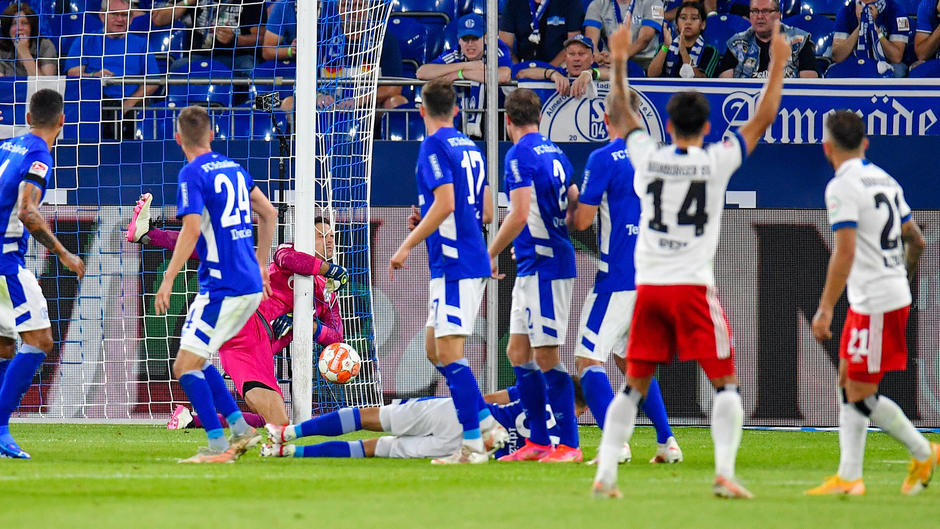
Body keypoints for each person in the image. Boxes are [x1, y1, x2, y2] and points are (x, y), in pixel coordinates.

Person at [591, 19, 787, 499]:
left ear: (670, 125)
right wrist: (778, 64)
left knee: (633, 384)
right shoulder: (716, 160)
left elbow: (622, 114)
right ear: (705, 127)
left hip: (650, 287)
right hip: (693, 288)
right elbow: (761, 118)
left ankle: (605, 477)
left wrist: (619, 60)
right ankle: (724, 474)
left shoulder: (647, 156)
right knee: (725, 384)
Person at [126, 196, 348, 428]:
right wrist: (330, 269)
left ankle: (190, 420)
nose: (329, 240)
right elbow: (286, 258)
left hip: (255, 350)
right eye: (322, 235)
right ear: (305, 240)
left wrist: (307, 324)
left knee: (277, 421)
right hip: (249, 314)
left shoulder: (328, 294)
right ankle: (149, 234)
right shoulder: (289, 253)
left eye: (332, 235)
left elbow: (337, 337)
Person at [805, 111, 937, 496]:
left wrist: (826, 307)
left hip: (877, 299)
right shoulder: (886, 179)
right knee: (849, 380)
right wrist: (904, 275)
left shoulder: (841, 185)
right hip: (879, 296)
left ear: (827, 148)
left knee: (860, 390)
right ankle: (849, 477)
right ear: (865, 143)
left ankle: (922, 450)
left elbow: (844, 252)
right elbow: (917, 239)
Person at [388, 79, 508, 465]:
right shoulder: (470, 146)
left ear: (421, 110)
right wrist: (429, 218)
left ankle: (473, 444)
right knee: (433, 348)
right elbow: (487, 211)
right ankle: (488, 422)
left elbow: (446, 203)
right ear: (456, 110)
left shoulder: (433, 146)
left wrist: (406, 245)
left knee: (451, 353)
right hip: (460, 261)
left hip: (457, 263)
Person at [155, 105, 277, 463]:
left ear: (179, 139)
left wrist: (168, 277)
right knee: (198, 355)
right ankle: (240, 428)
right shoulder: (234, 169)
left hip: (225, 288)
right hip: (247, 284)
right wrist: (262, 264)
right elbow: (269, 214)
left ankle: (219, 446)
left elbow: (191, 229)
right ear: (211, 134)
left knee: (184, 366)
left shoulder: (192, 174)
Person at [567, 87, 682, 465]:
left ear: (606, 120)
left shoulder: (603, 158)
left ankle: (615, 445)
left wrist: (569, 205)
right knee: (631, 361)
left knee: (587, 360)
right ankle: (667, 442)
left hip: (618, 275)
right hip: (654, 275)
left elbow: (583, 221)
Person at [486, 88, 580, 463]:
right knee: (517, 351)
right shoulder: (555, 152)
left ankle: (569, 445)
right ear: (539, 117)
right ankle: (538, 441)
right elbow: (573, 199)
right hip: (535, 262)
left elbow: (520, 212)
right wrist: (551, 231)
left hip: (546, 267)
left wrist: (487, 253)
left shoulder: (518, 155)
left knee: (545, 355)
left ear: (507, 120)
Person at [0, 90, 84, 459]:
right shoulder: (38, 154)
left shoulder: (7, 146)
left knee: (4, 345)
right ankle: (0, 427)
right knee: (41, 341)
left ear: (29, 115)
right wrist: (63, 253)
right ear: (62, 121)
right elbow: (28, 212)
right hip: (6, 263)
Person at [259, 380, 588, 459]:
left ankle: (289, 432)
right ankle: (288, 453)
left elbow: (490, 399)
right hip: (471, 451)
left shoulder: (537, 392)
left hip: (463, 418)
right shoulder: (562, 447)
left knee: (374, 417)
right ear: (583, 410)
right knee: (378, 448)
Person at [64, 0, 160, 139]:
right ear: (103, 16)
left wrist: (128, 104)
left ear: (131, 19)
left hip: (130, 107)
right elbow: (73, 73)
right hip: (94, 105)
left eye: (125, 15)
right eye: (115, 14)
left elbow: (153, 81)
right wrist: (94, 76)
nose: (120, 19)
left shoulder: (141, 44)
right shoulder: (85, 40)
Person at [417, 13, 512, 137]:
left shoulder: (496, 48)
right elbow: (422, 72)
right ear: (459, 40)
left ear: (485, 38)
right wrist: (467, 66)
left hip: (497, 116)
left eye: (475, 38)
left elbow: (504, 75)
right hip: (464, 117)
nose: (470, 44)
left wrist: (461, 74)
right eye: (465, 39)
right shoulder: (456, 52)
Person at [151, 0, 264, 74]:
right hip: (199, 56)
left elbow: (261, 38)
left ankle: (252, 109)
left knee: (251, 68)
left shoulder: (251, 1)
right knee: (178, 67)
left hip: (237, 58)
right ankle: (178, 108)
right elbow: (158, 19)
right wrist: (188, 2)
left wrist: (236, 40)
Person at [718, 0, 817, 78]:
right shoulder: (736, 44)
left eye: (765, 11)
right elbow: (725, 87)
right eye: (755, 11)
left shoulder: (798, 41)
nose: (759, 16)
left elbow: (809, 86)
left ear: (778, 15)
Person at [514, 35, 610, 98]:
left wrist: (589, 73)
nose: (576, 59)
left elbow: (615, 74)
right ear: (565, 58)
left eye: (581, 54)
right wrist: (552, 74)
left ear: (592, 58)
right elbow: (522, 73)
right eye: (571, 54)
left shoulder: (596, 74)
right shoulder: (560, 73)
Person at [831, 0, 908, 76]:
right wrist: (860, 26)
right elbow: (838, 57)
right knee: (833, 70)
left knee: (899, 70)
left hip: (885, 64)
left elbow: (896, 57)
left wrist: (874, 27)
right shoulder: (846, 11)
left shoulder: (897, 11)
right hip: (854, 63)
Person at [584, 0, 665, 70]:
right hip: (609, 63)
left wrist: (619, 57)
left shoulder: (654, 2)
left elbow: (645, 38)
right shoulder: (598, 4)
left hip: (644, 63)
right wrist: (596, 55)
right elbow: (591, 42)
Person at [499, 0, 584, 65]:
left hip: (560, 67)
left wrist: (548, 71)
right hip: (523, 69)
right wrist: (517, 69)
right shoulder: (513, 3)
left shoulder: (571, 2)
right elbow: (505, 46)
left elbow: (573, 44)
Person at [647, 1, 719, 78]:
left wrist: (683, 51)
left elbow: (701, 79)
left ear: (702, 25)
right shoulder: (664, 47)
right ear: (677, 24)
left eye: (694, 18)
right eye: (683, 18)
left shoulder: (710, 51)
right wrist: (666, 46)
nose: (688, 22)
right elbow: (651, 75)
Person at [0, 4, 57, 77]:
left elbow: (46, 85)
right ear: (7, 29)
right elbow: (2, 85)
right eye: (14, 23)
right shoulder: (1, 49)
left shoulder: (44, 45)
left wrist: (24, 52)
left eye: (24, 23)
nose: (19, 28)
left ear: (31, 27)